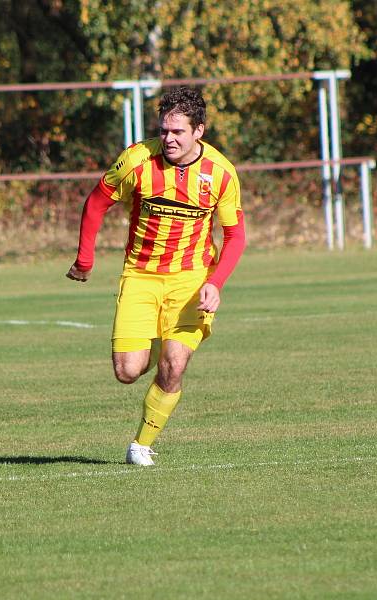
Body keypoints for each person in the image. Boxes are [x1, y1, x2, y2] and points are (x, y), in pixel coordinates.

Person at [66, 87, 246, 466]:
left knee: (174, 364)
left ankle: (141, 445)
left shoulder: (222, 174)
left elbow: (235, 235)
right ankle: (153, 350)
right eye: (164, 130)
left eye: (178, 132)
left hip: (191, 279)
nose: (168, 139)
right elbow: (97, 203)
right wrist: (85, 258)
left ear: (199, 130)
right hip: (141, 275)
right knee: (128, 371)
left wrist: (215, 283)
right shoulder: (136, 160)